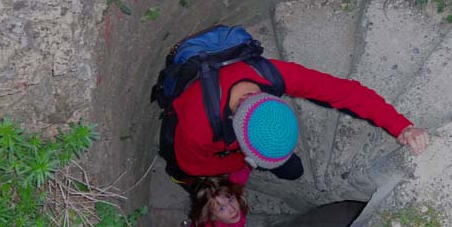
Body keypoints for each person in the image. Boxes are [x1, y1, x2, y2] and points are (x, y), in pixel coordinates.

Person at [172, 58, 430, 180]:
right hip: (216, 145)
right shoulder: (197, 126)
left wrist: (402, 126)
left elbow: (350, 94)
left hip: (248, 143)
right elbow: (192, 166)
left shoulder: (274, 74)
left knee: (293, 171)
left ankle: (276, 163)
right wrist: (240, 162)